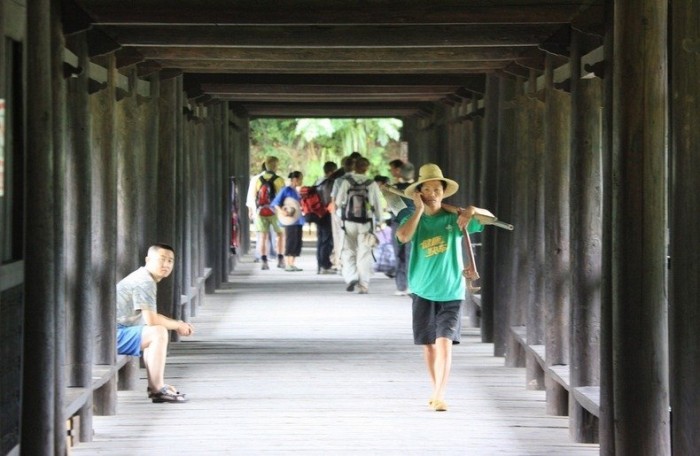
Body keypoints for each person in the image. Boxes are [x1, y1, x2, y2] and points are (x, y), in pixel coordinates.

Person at [395, 163, 483, 412]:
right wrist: (418, 211)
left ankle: (440, 393)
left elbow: (488, 218)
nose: (433, 193)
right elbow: (403, 237)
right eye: (428, 189)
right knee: (428, 344)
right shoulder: (410, 217)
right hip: (421, 289)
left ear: (444, 192)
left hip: (451, 289)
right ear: (419, 191)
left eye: (437, 189)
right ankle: (436, 390)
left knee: (444, 341)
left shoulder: (455, 218)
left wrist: (471, 210)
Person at [116, 244, 195, 403]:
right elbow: (152, 320)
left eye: (170, 261)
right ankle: (158, 389)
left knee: (154, 332)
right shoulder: (145, 281)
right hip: (110, 337)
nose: (166, 265)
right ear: (148, 260)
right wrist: (178, 325)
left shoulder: (143, 277)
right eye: (162, 259)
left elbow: (148, 318)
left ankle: (157, 388)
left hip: (113, 333)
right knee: (158, 332)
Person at [334, 156, 384, 294]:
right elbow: (378, 205)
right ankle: (364, 285)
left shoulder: (346, 182)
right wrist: (380, 221)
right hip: (366, 224)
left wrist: (339, 218)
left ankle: (351, 277)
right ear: (366, 168)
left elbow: (337, 203)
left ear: (354, 167)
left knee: (348, 251)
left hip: (348, 222)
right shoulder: (372, 183)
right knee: (364, 254)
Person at [253, 156, 286, 270]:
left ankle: (264, 261)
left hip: (261, 211)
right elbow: (283, 197)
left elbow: (254, 197)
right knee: (280, 235)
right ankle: (281, 259)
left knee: (263, 236)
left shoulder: (258, 179)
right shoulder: (279, 180)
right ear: (275, 166)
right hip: (276, 211)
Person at [271, 171, 305, 271]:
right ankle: (287, 263)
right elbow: (276, 203)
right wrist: (282, 212)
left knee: (297, 242)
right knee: (290, 241)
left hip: (298, 219)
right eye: (300, 179)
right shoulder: (286, 190)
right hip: (290, 220)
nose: (301, 181)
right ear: (295, 179)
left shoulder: (297, 192)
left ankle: (292, 263)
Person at [392, 161, 416, 295]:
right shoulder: (418, 188)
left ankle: (401, 286)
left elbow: (392, 207)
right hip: (414, 223)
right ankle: (411, 285)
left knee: (399, 254)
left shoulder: (395, 188)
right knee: (411, 254)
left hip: (398, 223)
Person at [246, 162, 278, 262]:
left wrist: (250, 210)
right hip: (272, 210)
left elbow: (251, 196)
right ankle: (271, 254)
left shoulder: (255, 179)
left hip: (258, 210)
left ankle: (259, 255)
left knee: (260, 234)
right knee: (271, 233)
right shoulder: (276, 179)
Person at [314, 161, 338, 274]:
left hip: (317, 213)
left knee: (320, 239)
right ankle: (325, 265)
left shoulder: (318, 181)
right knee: (327, 240)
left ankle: (320, 264)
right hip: (326, 214)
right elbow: (330, 199)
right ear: (331, 171)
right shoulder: (330, 182)